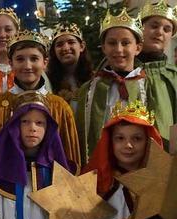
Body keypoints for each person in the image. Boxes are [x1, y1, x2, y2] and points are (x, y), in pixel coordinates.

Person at [0, 30, 81, 167]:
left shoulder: (59, 107)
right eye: (20, 59)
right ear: (11, 63)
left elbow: (70, 157)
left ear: (45, 63)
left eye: (34, 59)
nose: (27, 66)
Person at [76, 8, 145, 162]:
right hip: (102, 169)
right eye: (112, 43)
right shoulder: (89, 90)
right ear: (104, 48)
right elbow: (81, 135)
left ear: (138, 48)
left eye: (125, 43)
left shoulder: (149, 86)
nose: (118, 49)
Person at [139, 0, 177, 146]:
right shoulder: (124, 72)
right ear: (141, 28)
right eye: (154, 26)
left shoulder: (174, 77)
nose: (159, 32)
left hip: (165, 158)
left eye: (166, 29)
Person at [47, 23, 93, 110]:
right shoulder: (48, 82)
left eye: (71, 42)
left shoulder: (94, 79)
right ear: (54, 51)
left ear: (81, 46)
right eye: (59, 45)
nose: (65, 48)